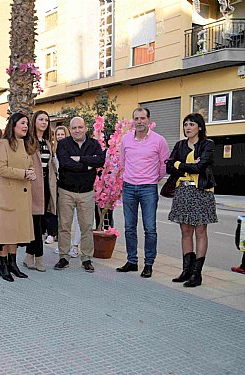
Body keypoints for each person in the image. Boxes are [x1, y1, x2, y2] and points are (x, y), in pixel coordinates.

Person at [116, 108, 169, 278]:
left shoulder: (159, 140)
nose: (139, 121)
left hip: (148, 188)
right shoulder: (126, 139)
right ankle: (132, 261)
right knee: (129, 227)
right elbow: (123, 161)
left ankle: (148, 264)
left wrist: (152, 179)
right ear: (133, 121)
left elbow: (164, 165)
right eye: (136, 118)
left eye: (143, 118)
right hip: (129, 187)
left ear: (148, 120)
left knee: (150, 228)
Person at [166, 113, 217, 287]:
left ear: (200, 127)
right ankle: (186, 270)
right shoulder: (180, 145)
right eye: (185, 124)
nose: (187, 127)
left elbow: (201, 166)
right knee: (185, 231)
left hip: (201, 192)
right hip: (183, 191)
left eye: (192, 124)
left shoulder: (207, 145)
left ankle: (197, 274)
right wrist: (184, 166)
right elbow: (168, 166)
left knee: (200, 231)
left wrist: (180, 165)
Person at [0, 113, 36, 282]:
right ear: (13, 125)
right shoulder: (3, 144)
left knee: (16, 231)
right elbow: (0, 169)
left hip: (22, 196)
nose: (26, 127)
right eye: (23, 123)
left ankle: (13, 263)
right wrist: (24, 173)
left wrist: (31, 173)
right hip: (7, 196)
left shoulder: (24, 144)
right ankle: (3, 265)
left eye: (27, 124)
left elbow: (29, 165)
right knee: (5, 232)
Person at [54, 117, 105, 273]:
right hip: (66, 191)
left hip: (86, 192)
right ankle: (63, 257)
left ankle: (87, 259)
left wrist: (80, 159)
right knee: (64, 226)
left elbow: (100, 161)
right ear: (70, 129)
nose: (77, 130)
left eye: (80, 127)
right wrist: (87, 165)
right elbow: (65, 163)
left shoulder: (94, 144)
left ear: (85, 128)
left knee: (87, 227)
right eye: (74, 128)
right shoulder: (63, 144)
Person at [23, 110, 56, 272]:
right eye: (41, 119)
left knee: (40, 223)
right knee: (36, 223)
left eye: (46, 120)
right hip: (33, 186)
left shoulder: (47, 143)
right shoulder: (29, 141)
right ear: (34, 121)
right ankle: (39, 257)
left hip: (46, 186)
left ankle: (29, 255)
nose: (44, 122)